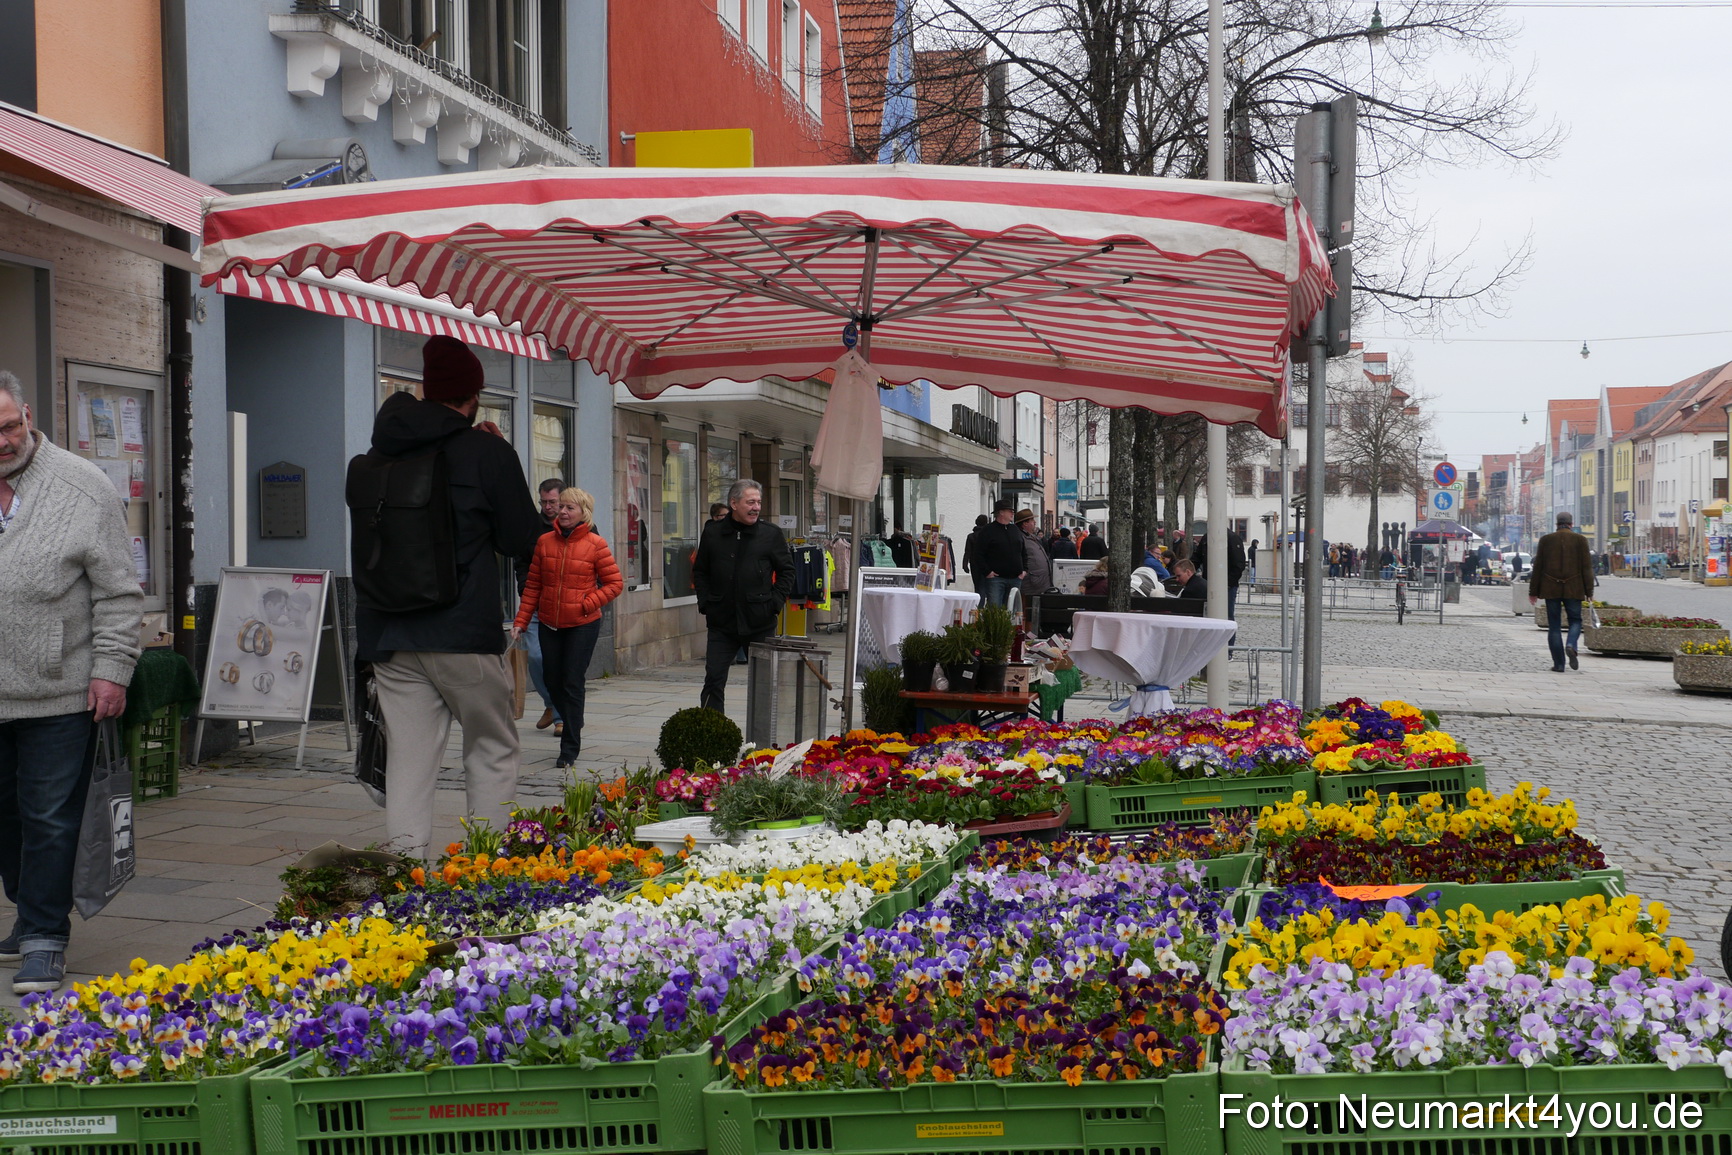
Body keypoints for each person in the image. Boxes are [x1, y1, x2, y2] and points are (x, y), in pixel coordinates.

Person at [356, 336, 542, 863]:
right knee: (491, 746)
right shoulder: (485, 450)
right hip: (462, 631)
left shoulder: (379, 452)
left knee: (410, 763)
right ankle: (481, 871)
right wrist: (500, 453)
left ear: (425, 391)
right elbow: (520, 538)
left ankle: (406, 877)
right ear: (473, 396)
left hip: (390, 635)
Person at [0, 371, 142, 994]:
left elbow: (118, 592)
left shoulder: (82, 485)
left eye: (8, 426)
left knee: (50, 817)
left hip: (58, 690)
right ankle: (30, 911)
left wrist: (112, 670)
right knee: (6, 820)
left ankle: (43, 937)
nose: (2, 440)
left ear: (28, 414)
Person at [513, 487, 623, 768]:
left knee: (572, 681)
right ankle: (573, 715)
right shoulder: (544, 543)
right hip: (550, 622)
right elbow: (534, 586)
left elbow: (614, 584)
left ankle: (569, 748)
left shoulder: (596, 544)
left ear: (582, 512)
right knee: (552, 680)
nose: (562, 511)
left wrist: (588, 603)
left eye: (569, 508)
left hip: (582, 624)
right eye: (561, 506)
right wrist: (521, 621)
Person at [693, 479, 794, 712]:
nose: (756, 507)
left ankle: (764, 740)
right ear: (734, 503)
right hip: (721, 621)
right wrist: (706, 602)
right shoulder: (713, 533)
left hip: (760, 620)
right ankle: (714, 736)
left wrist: (774, 603)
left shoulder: (771, 534)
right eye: (750, 502)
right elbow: (700, 571)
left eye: (758, 502)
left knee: (765, 684)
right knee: (714, 680)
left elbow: (787, 571)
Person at [1529, 511, 1595, 673]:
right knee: (1575, 620)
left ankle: (1559, 664)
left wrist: (1533, 591)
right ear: (1571, 524)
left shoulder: (1546, 540)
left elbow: (1538, 567)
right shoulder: (1581, 540)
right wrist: (1589, 591)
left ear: (1556, 524)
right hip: (1574, 587)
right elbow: (1587, 568)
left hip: (1550, 588)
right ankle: (1571, 644)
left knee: (1554, 626)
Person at [527, 478, 565, 735]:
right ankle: (551, 704)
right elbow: (522, 561)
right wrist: (524, 590)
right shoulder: (533, 527)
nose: (548, 506)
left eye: (552, 502)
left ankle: (561, 717)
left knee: (560, 662)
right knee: (535, 656)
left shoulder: (580, 525)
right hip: (536, 603)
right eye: (544, 502)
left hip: (565, 607)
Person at [974, 499, 1027, 608]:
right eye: (1010, 511)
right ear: (1001, 512)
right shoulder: (988, 530)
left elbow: (1023, 551)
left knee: (1013, 611)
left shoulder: (1015, 529)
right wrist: (987, 572)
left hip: (1016, 578)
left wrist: (1024, 570)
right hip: (996, 579)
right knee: (995, 610)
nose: (1013, 513)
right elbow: (978, 553)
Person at [1191, 526, 1247, 619]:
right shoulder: (1206, 537)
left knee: (1226, 615)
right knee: (1209, 614)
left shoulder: (1232, 538)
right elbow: (1196, 558)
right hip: (1209, 583)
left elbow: (1239, 565)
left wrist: (1228, 583)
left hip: (1227, 586)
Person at [1016, 508, 1051, 604]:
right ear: (1025, 524)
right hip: (1031, 583)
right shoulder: (1019, 537)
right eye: (1032, 520)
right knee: (1027, 610)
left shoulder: (1030, 536)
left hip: (1039, 582)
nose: (1035, 522)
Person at [960, 514, 989, 583]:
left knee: (977, 585)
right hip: (987, 564)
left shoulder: (971, 536)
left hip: (974, 563)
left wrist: (965, 564)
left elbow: (967, 551)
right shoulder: (989, 535)